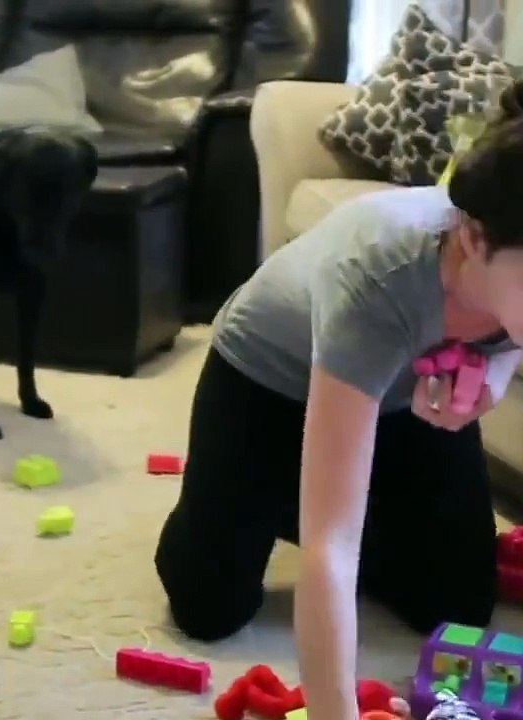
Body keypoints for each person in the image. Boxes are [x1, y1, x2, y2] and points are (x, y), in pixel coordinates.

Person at [155, 78, 523, 720]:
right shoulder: (380, 280)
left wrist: (489, 380)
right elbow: (332, 546)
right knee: (208, 602)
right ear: (474, 241)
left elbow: (507, 341)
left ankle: (326, 488)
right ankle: (262, 495)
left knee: (460, 600)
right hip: (268, 378)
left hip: (400, 397)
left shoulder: (499, 263)